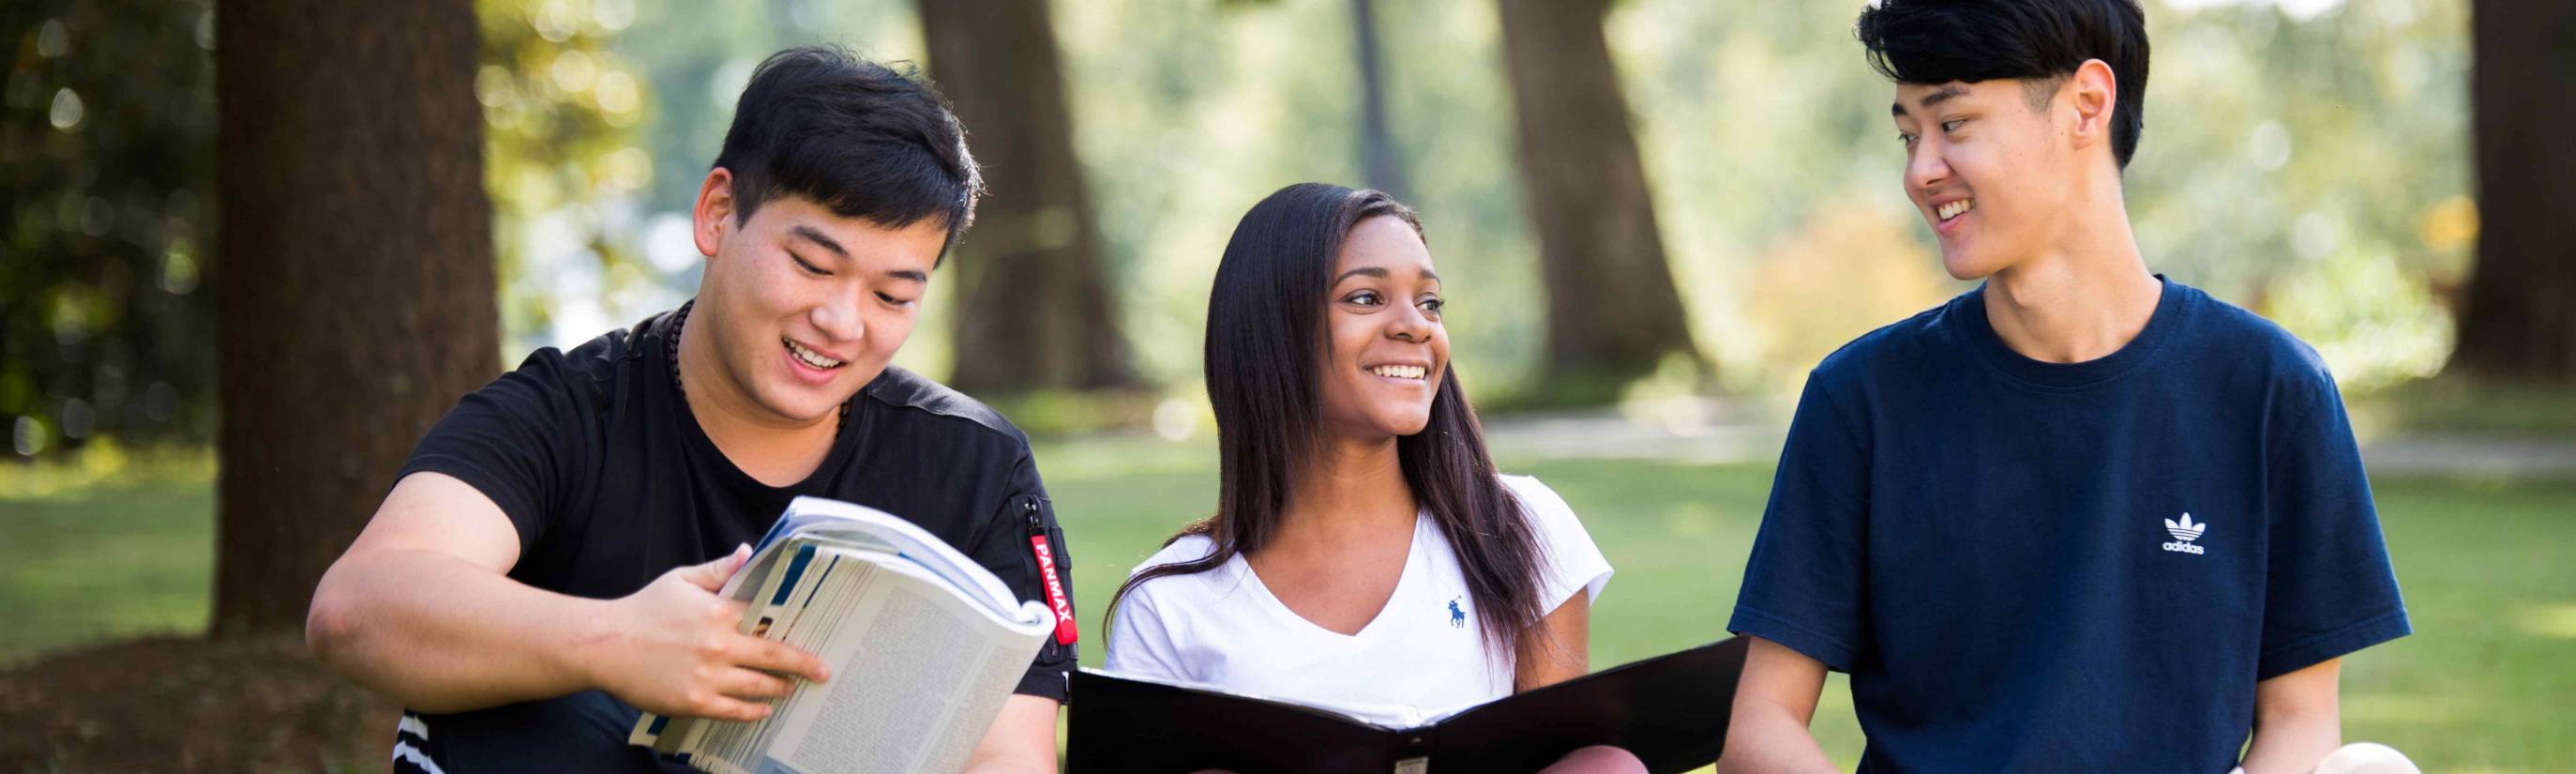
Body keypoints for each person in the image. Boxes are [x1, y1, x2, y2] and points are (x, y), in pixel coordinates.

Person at [303, 47, 1072, 773]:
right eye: (811, 264)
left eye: (891, 295)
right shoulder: (567, 413)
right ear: (716, 213)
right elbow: (358, 606)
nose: (843, 321)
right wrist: (617, 642)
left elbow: (1013, 754)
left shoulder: (977, 468)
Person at [1717, 3, 2416, 773]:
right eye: (1908, 135)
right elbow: (1760, 730)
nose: (1920, 172)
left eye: (1954, 123)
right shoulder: (1860, 399)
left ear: (2087, 105)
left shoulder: (2272, 390)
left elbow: (2301, 722)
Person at [1102, 183, 1636, 773]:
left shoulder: (1518, 527)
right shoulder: (1172, 605)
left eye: (1430, 302)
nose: (1415, 326)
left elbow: (1553, 760)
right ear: (1272, 327)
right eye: (1365, 298)